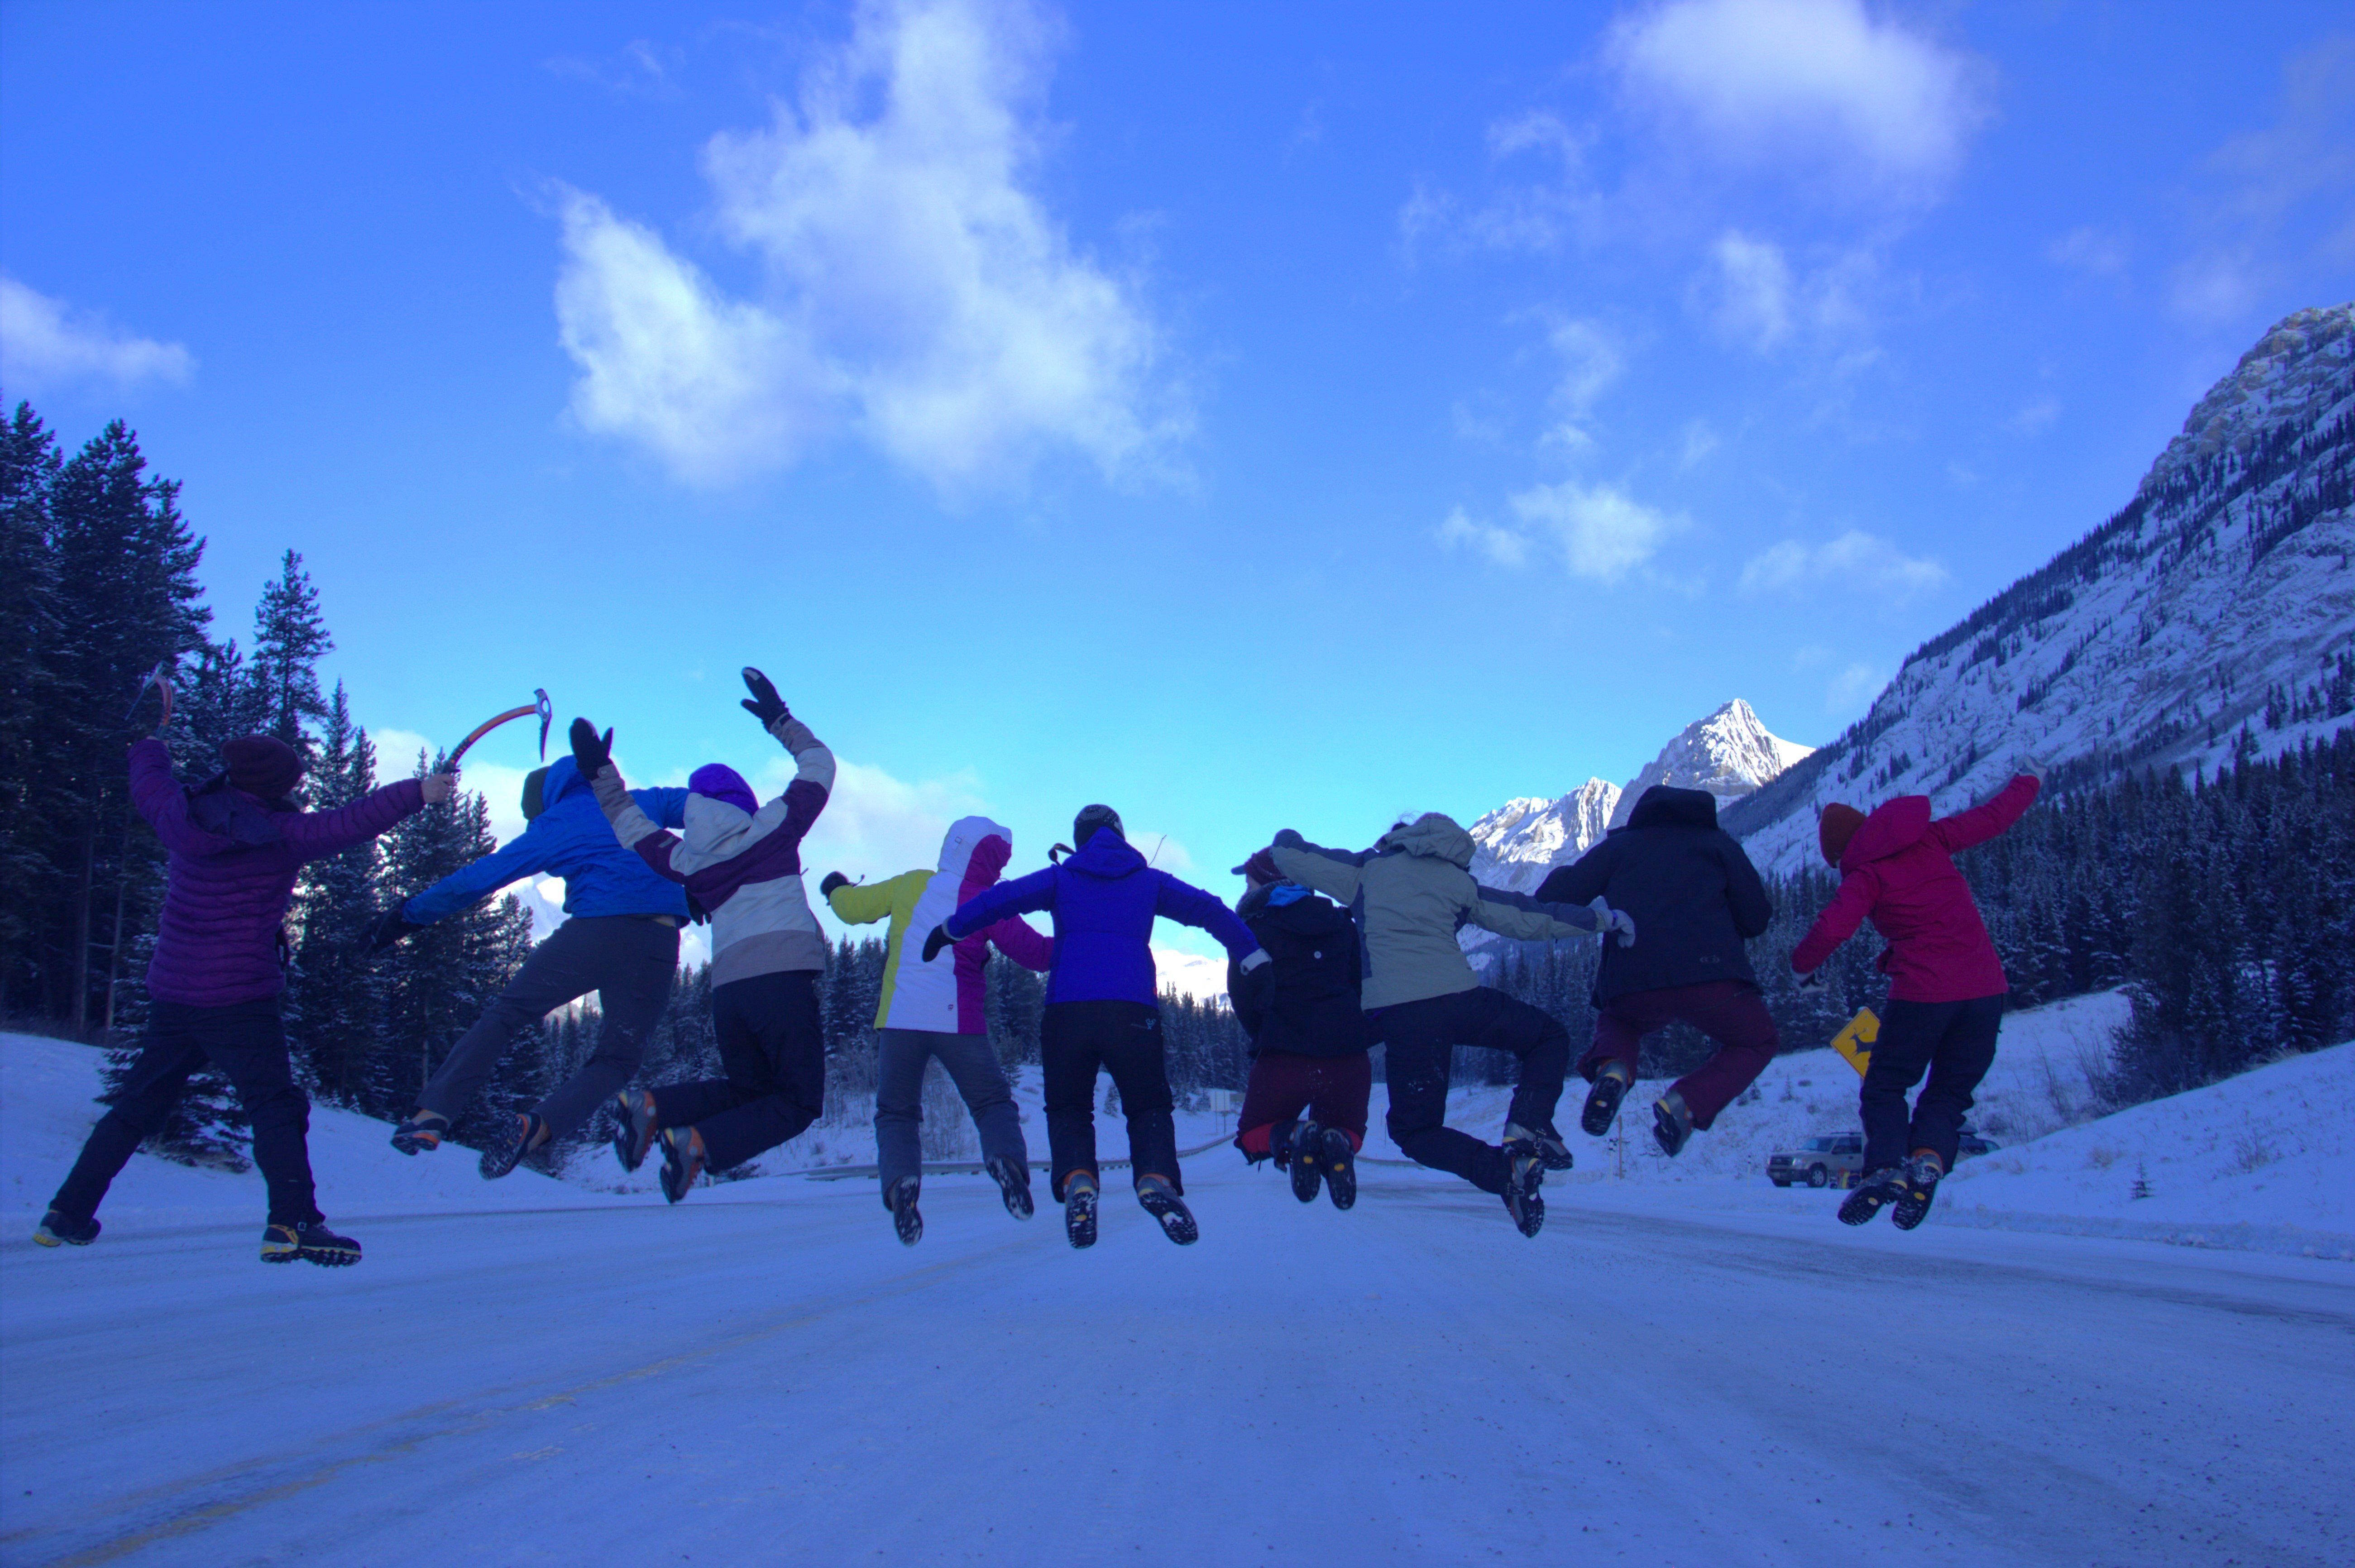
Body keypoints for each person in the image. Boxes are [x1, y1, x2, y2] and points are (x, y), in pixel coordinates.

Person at [38, 731, 452, 1264]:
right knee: (274, 1107)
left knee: (135, 1107)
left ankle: (67, 1211)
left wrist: (146, 741)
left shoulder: (180, 812)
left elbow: (149, 780)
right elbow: (352, 821)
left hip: (173, 993)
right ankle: (292, 1223)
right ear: (280, 787)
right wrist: (420, 792)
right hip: (238, 998)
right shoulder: (280, 833)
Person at [1264, 815, 1631, 1238]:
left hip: (1406, 1017)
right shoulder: (1460, 884)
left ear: (1401, 841)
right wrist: (1604, 920)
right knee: (1547, 1037)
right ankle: (1528, 1125)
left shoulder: (1367, 872)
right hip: (1460, 1000)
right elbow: (1531, 918)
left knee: (1415, 1131)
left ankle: (1503, 1171)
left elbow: (1291, 857)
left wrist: (1284, 840)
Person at [920, 805, 1268, 1250]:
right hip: (1132, 1010)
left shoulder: (1060, 878)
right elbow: (1209, 909)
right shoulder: (1149, 881)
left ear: (1079, 840)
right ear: (1121, 836)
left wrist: (951, 928)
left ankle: (1080, 1181)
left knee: (1069, 1108)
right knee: (1148, 1105)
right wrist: (1252, 954)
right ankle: (1155, 1177)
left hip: (1068, 1010)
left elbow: (998, 899)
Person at [372, 723, 692, 1176]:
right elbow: (712, 809)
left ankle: (431, 1114)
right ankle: (539, 1125)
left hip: (594, 933)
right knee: (617, 1059)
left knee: (507, 1015)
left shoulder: (554, 824)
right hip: (660, 941)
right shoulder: (649, 799)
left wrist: (406, 917)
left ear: (546, 802)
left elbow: (478, 879)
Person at [576, 673, 835, 1203]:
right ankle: (696, 1143)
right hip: (781, 979)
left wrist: (601, 775)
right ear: (744, 799)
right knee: (799, 1101)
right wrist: (780, 721)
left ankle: (655, 1108)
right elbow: (821, 765)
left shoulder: (687, 860)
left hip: (729, 994)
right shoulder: (774, 825)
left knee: (749, 1091)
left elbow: (630, 826)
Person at [1791, 762, 2044, 1230]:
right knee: (1949, 1092)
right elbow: (1993, 817)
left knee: (1886, 1084)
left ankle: (1886, 1167)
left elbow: (1833, 927)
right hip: (1987, 991)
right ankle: (1927, 1160)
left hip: (1925, 992)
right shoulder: (1930, 837)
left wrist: (1802, 964)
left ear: (1841, 852)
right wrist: (2028, 781)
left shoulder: (1866, 874)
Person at [822, 816, 1053, 1244]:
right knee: (990, 1104)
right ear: (993, 861)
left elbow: (854, 910)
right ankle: (1007, 1165)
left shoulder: (910, 884)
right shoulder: (988, 900)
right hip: (957, 1021)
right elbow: (1037, 954)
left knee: (896, 1113)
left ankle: (902, 1186)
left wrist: (836, 888)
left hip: (899, 1021)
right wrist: (1084, 937)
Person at [1533, 785, 1776, 1158]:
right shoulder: (1719, 844)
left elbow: (1553, 897)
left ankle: (1614, 1068)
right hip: (1714, 978)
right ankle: (1687, 1103)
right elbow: (1757, 918)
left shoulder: (1620, 847)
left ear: (1642, 813)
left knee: (1620, 1024)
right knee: (1756, 1041)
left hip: (1634, 980)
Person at [1226, 848, 1372, 1210]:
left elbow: (1242, 996)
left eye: (1249, 882)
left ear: (1268, 883)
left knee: (1253, 1137)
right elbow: (1361, 984)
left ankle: (1293, 1134)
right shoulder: (1342, 923)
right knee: (1348, 1131)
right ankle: (1336, 1139)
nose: (1244, 891)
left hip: (1285, 1054)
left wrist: (1265, 1038)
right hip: (1349, 1054)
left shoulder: (1250, 930)